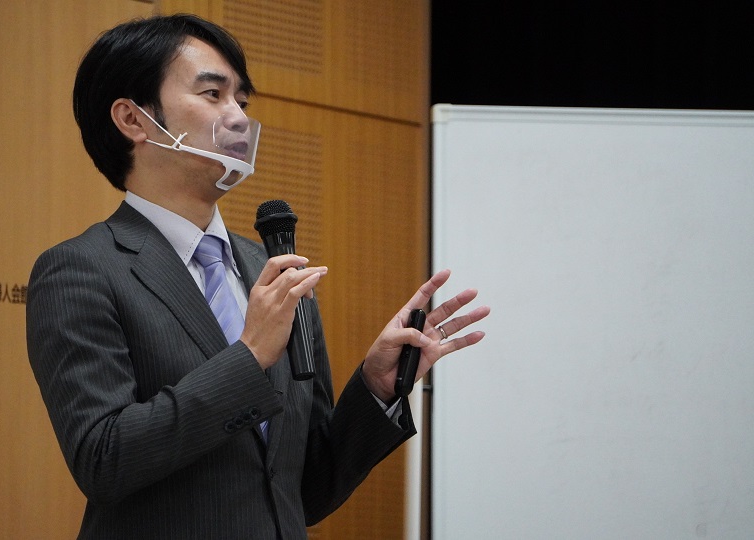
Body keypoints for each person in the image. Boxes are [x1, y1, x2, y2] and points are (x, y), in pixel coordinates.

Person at [26, 13, 489, 540]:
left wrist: (376, 388)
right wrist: (249, 357)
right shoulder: (81, 270)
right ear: (133, 119)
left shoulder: (273, 271)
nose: (239, 119)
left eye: (242, 102)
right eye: (213, 94)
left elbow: (306, 490)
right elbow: (102, 460)